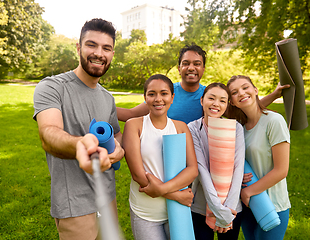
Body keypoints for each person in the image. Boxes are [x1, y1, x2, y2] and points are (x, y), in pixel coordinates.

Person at [33, 18, 125, 240]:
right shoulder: (52, 87)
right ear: (79, 47)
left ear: (112, 54)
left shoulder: (107, 98)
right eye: (91, 45)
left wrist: (119, 149)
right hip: (74, 202)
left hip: (107, 196)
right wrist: (80, 144)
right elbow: (49, 133)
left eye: (106, 48)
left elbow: (115, 133)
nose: (99, 53)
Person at [116, 43, 290, 124]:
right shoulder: (167, 93)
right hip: (169, 159)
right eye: (186, 63)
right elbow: (131, 114)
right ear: (179, 68)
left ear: (203, 69)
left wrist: (275, 95)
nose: (191, 68)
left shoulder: (210, 96)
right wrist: (98, 103)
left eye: (197, 64)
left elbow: (245, 109)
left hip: (202, 162)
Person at [122, 74, 198, 240]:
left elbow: (192, 169)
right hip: (146, 212)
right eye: (151, 94)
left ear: (172, 97)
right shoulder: (134, 125)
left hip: (177, 211)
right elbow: (138, 175)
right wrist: (176, 194)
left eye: (164, 93)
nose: (158, 99)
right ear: (145, 98)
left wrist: (163, 190)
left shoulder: (181, 127)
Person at [227, 75, 291, 240]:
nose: (241, 93)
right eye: (234, 92)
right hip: (249, 205)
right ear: (232, 101)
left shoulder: (274, 121)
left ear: (255, 90)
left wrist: (248, 191)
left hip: (273, 205)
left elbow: (281, 170)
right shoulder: (240, 129)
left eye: (245, 87)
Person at [188, 83, 245, 240]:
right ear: (202, 100)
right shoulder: (192, 128)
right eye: (211, 98)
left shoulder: (236, 128)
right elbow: (201, 169)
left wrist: (228, 211)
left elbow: (238, 167)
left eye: (222, 100)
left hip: (232, 207)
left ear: (227, 105)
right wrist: (217, 210)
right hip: (200, 206)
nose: (216, 104)